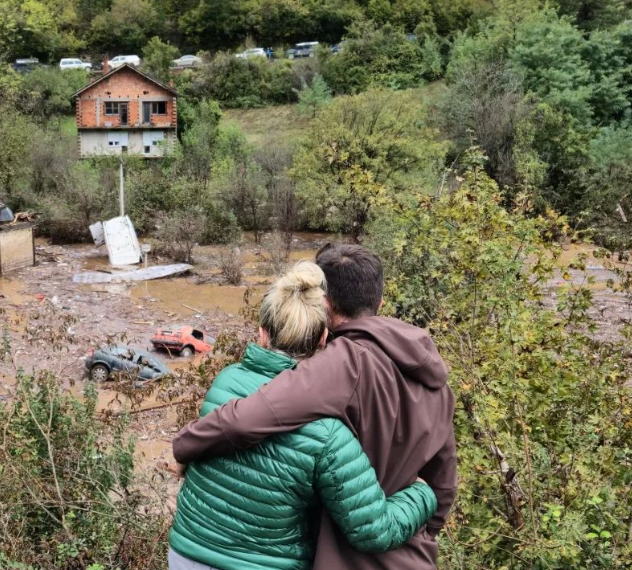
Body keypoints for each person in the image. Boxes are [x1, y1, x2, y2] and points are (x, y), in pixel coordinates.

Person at [173, 244, 457, 570]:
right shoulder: (436, 379)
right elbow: (444, 480)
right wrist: (427, 519)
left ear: (324, 304)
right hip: (413, 554)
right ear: (379, 302)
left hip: (349, 557)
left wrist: (186, 445)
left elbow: (249, 417)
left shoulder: (341, 363)